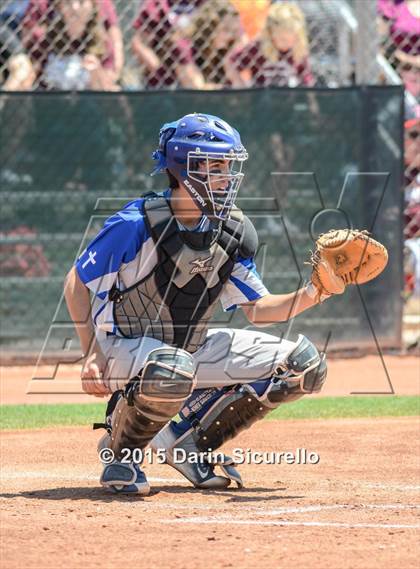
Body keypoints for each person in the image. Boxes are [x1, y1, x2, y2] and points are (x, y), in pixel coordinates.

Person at [64, 113, 337, 496]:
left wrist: (315, 291)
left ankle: (187, 442)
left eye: (228, 166)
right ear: (184, 168)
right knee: (172, 368)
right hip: (120, 349)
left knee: (301, 367)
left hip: (186, 350)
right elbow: (76, 281)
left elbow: (258, 308)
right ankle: (121, 453)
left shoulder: (232, 230)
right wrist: (90, 351)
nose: (227, 177)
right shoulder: (137, 223)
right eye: (216, 166)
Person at [22, 0, 123, 90]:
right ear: (60, 7)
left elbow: (108, 91)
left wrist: (96, 72)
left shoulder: (103, 43)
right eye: (68, 2)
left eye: (81, 2)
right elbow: (31, 77)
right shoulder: (45, 40)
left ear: (93, 6)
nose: (74, 8)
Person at [227, 2, 314, 88]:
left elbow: (306, 78)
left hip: (288, 99)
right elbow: (231, 62)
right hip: (261, 98)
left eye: (293, 39)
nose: (289, 44)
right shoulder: (257, 48)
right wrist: (239, 83)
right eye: (283, 39)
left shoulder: (297, 50)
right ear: (270, 34)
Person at [131, 0, 204, 89]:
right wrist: (163, 74)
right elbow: (139, 44)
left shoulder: (204, 3)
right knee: (179, 47)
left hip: (201, 69)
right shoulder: (157, 3)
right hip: (165, 80)